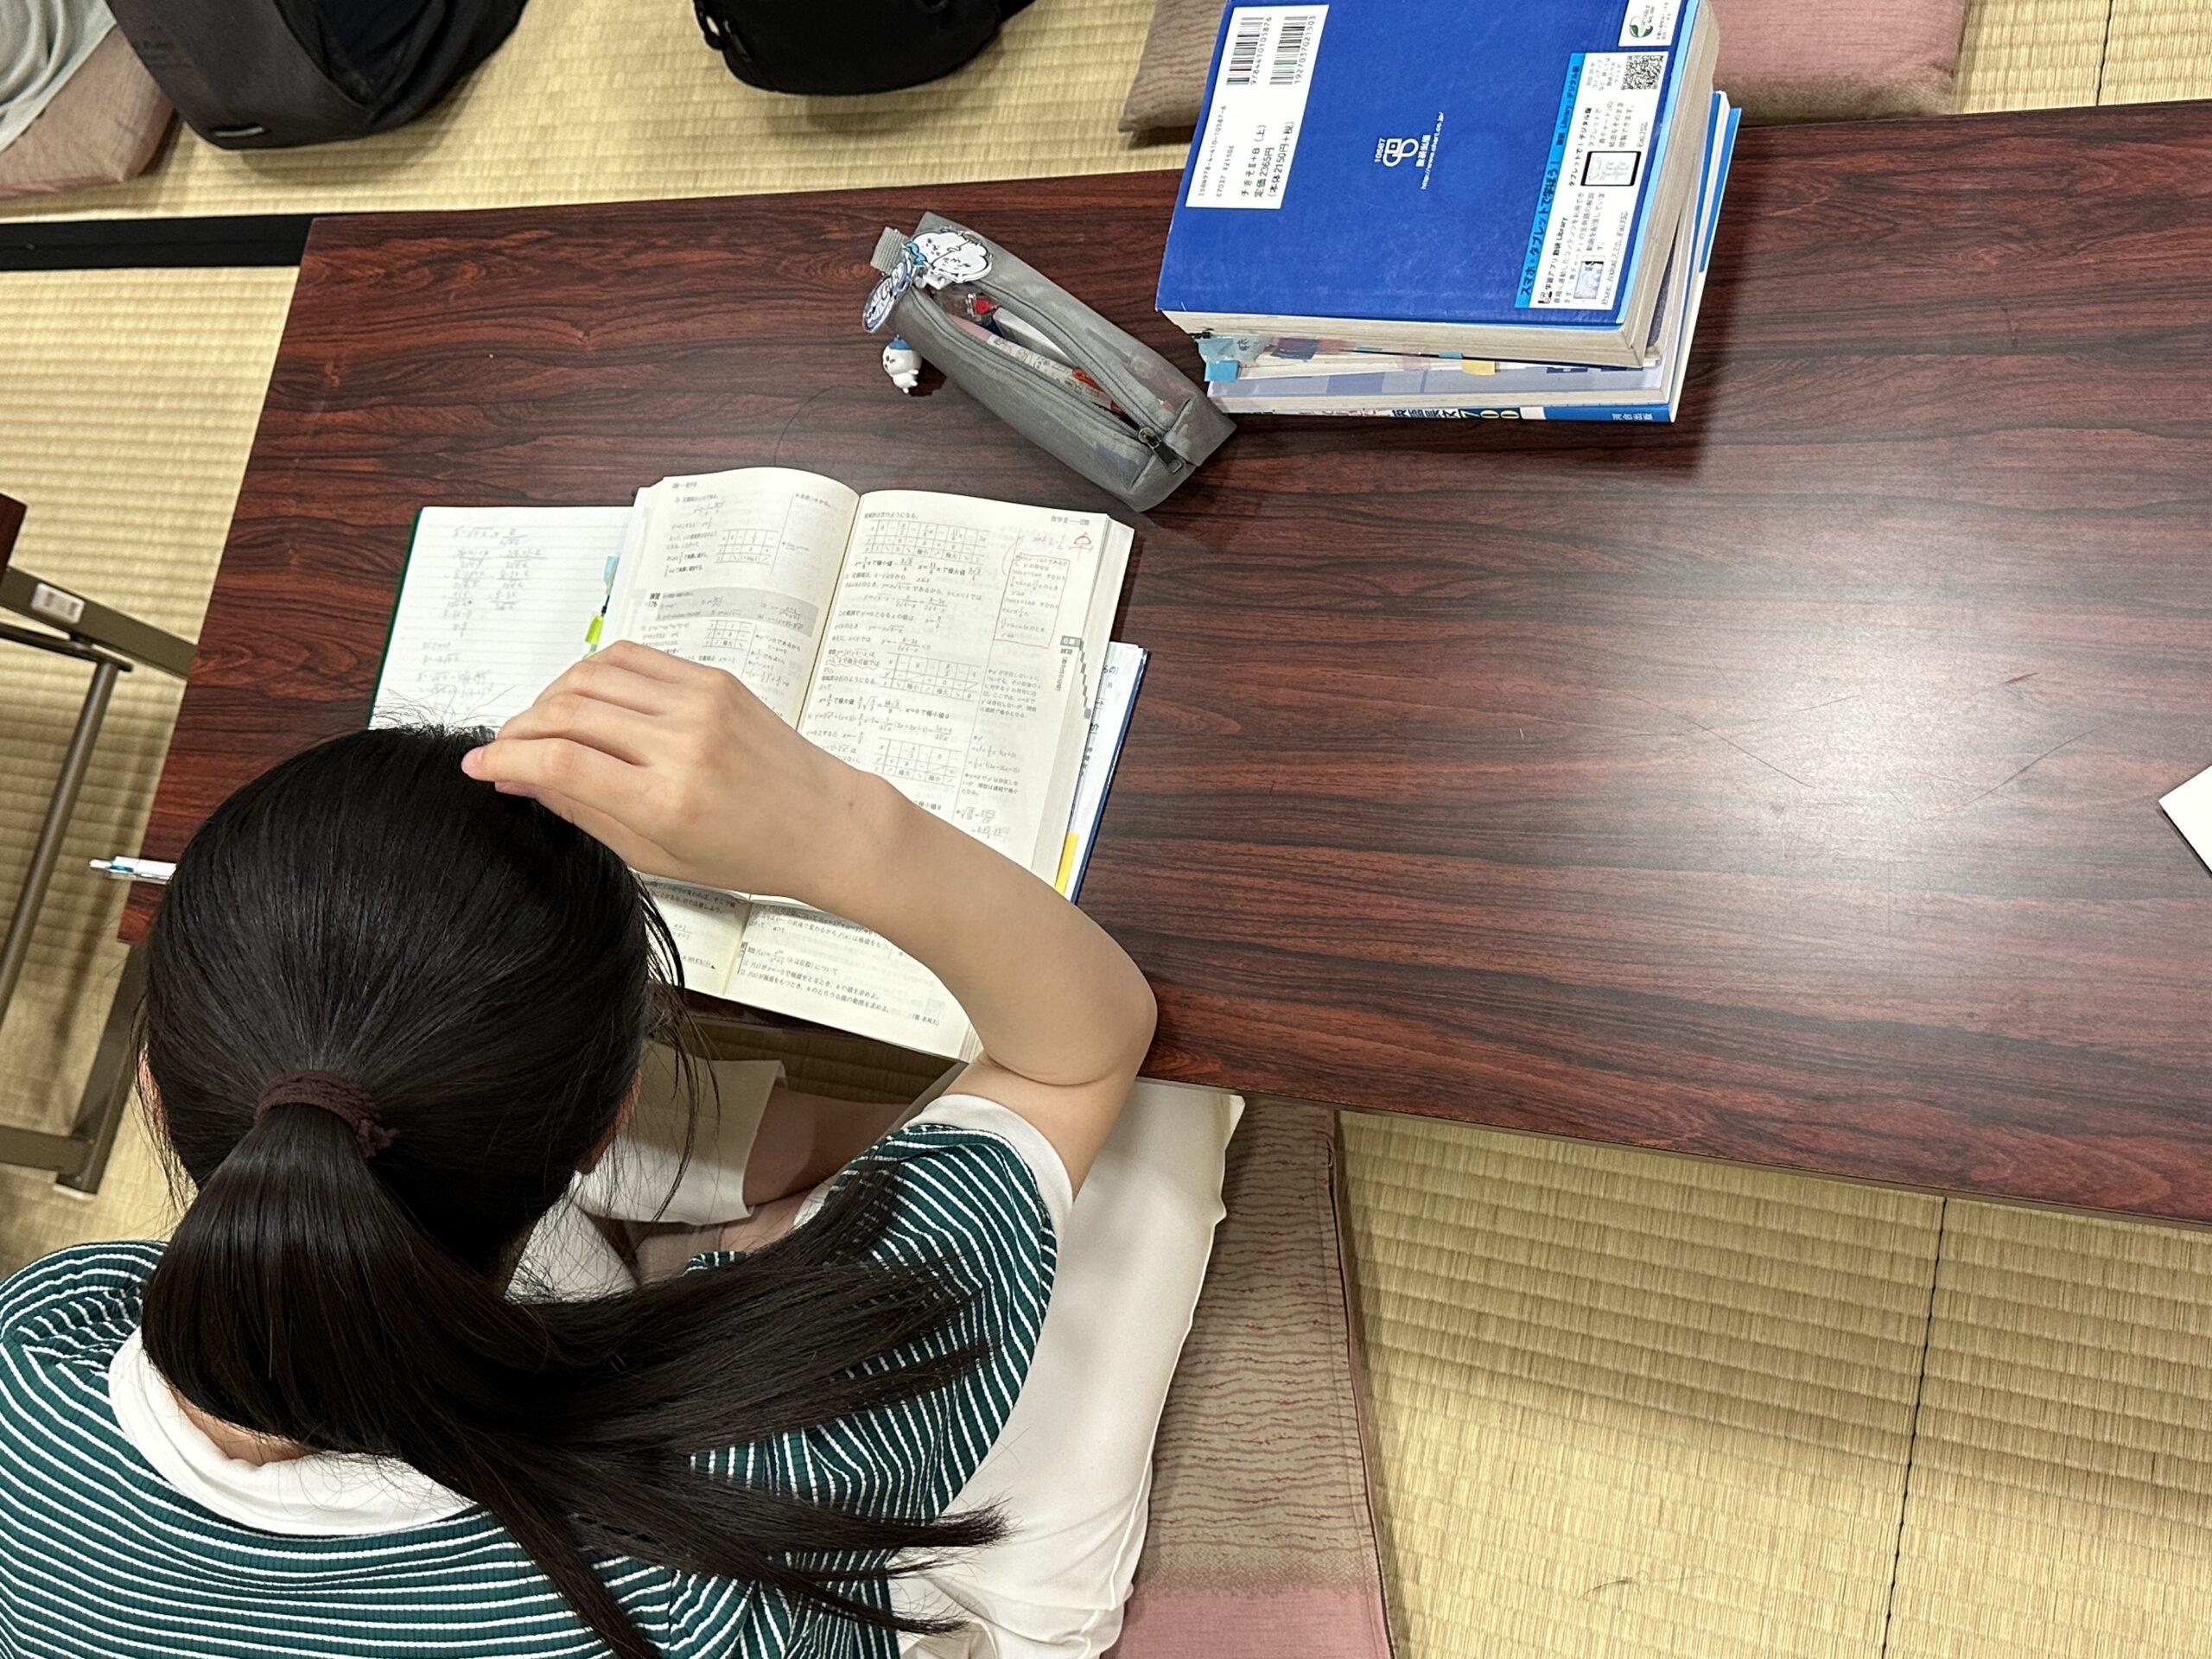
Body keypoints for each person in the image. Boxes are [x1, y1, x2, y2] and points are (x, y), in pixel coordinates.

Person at [0, 642, 1238, 1659]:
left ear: (153, 1086)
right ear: (607, 1121)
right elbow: (1079, 1048)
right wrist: (842, 829)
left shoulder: (33, 1343)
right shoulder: (727, 1527)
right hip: (788, 1571)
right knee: (1166, 1090)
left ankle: (745, 1238)